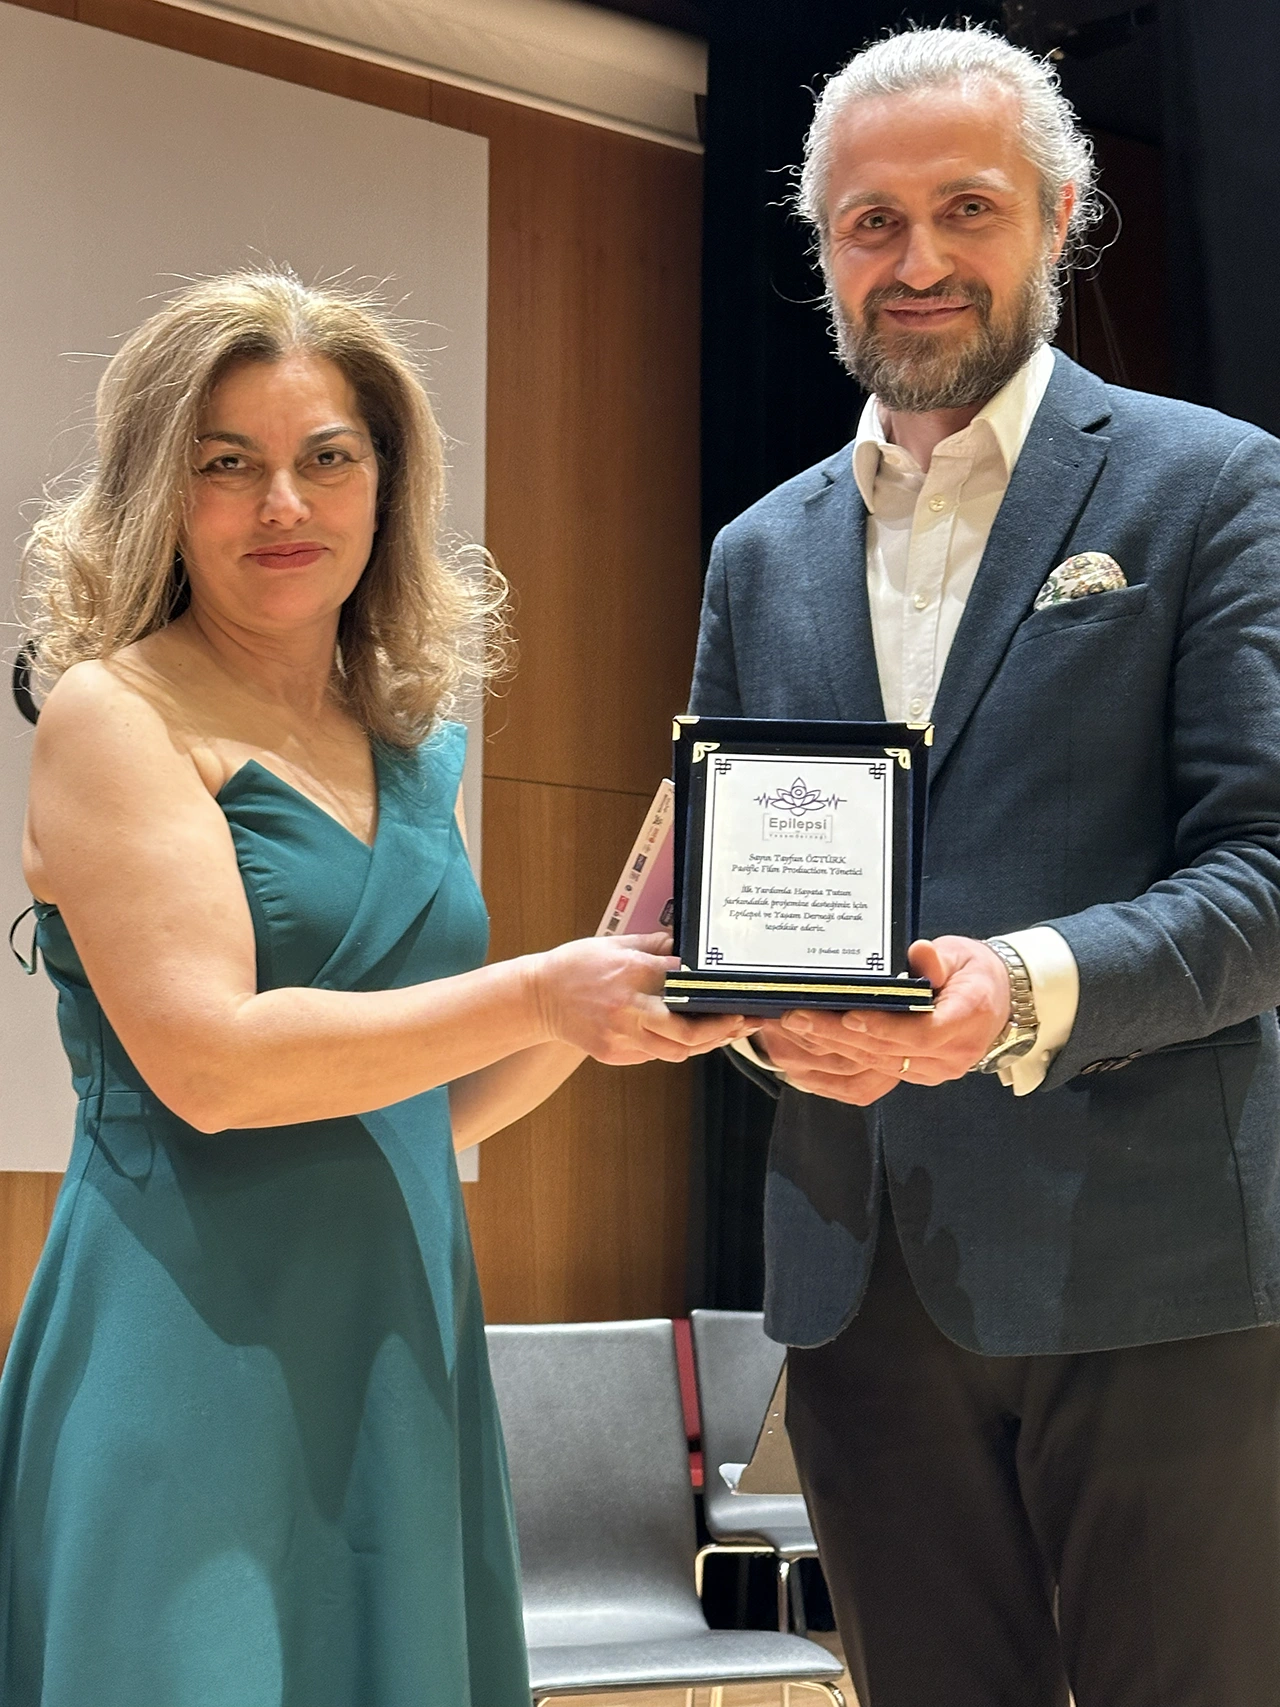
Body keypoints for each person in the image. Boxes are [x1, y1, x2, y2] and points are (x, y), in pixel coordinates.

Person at [0, 270, 750, 1707]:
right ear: (162, 494)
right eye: (229, 463)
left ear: (386, 486)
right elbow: (216, 1064)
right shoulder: (115, 711)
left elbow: (429, 1102)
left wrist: (619, 1004)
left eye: (327, 457)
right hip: (191, 1344)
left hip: (398, 1345)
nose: (284, 503)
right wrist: (543, 994)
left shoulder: (409, 745)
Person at [691, 25, 1280, 1707]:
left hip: (1157, 1267)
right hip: (860, 1274)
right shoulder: (758, 552)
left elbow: (1265, 868)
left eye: (967, 208)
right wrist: (758, 1019)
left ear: (1060, 216)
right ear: (825, 249)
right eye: (871, 222)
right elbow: (741, 905)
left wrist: (1018, 988)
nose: (919, 259)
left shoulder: (1211, 484)